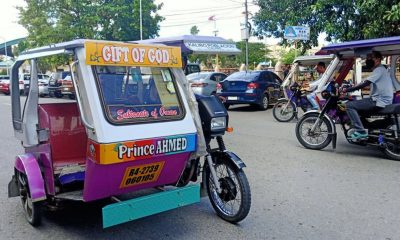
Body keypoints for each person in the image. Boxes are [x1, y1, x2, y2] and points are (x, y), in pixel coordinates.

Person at [342, 51, 394, 140]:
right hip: (381, 99)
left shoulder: (379, 69)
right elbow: (364, 82)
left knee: (348, 105)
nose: (368, 60)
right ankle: (364, 127)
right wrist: (350, 87)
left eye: (371, 57)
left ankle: (360, 131)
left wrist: (347, 90)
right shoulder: (380, 70)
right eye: (368, 58)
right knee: (358, 105)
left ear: (378, 59)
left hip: (379, 100)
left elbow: (365, 84)